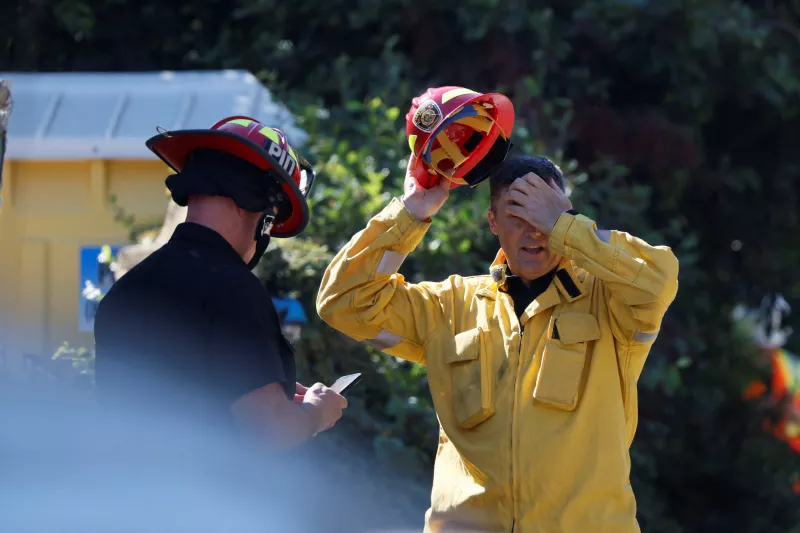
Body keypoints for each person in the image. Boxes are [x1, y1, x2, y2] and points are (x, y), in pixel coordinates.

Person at [317, 153, 680, 532]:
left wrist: (567, 226)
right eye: (517, 217)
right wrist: (412, 211)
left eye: (543, 217)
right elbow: (343, 301)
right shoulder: (452, 306)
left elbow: (659, 281)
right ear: (493, 222)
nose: (534, 232)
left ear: (562, 213)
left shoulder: (609, 301)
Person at [94, 116, 347, 451]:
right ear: (261, 211)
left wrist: (269, 381)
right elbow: (271, 427)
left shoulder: (126, 290)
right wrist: (316, 411)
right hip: (204, 500)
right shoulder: (234, 291)